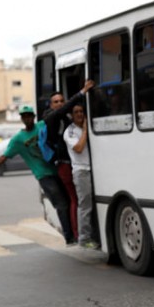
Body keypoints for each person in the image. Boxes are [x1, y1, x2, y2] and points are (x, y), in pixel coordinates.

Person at [0, 104, 75, 245]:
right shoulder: (18, 139)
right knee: (61, 204)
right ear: (22, 119)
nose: (27, 118)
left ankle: (74, 232)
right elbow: (3, 157)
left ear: (33, 117)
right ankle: (69, 237)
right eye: (24, 116)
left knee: (69, 201)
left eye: (29, 115)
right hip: (43, 175)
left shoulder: (42, 126)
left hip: (57, 168)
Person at [42, 81, 95, 243]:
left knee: (76, 200)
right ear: (51, 105)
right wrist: (81, 92)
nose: (59, 104)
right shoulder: (51, 117)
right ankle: (77, 235)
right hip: (64, 165)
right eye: (56, 101)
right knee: (74, 200)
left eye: (61, 101)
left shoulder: (66, 118)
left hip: (71, 163)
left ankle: (75, 233)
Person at [64, 103, 98, 248]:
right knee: (85, 205)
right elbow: (78, 148)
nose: (79, 114)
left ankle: (91, 235)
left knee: (91, 205)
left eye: (82, 111)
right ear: (72, 115)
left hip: (92, 169)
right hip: (81, 171)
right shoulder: (70, 131)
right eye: (76, 112)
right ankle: (84, 238)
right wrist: (84, 130)